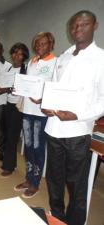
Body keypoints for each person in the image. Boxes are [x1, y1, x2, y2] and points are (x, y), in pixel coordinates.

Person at [42, 11, 104, 225]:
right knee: (54, 179)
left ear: (94, 26)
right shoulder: (63, 57)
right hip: (53, 129)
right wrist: (46, 105)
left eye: (83, 24)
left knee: (76, 183)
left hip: (78, 131)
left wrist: (78, 115)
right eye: (74, 25)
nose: (78, 29)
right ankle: (57, 217)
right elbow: (52, 88)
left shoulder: (101, 59)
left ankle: (75, 222)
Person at [14, 32, 57, 198]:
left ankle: (35, 183)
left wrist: (43, 99)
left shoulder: (55, 62)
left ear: (51, 44)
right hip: (28, 110)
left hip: (41, 112)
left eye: (44, 43)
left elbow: (54, 87)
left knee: (38, 148)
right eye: (37, 44)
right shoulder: (32, 61)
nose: (40, 46)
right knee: (29, 145)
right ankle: (28, 178)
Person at [0, 43, 29, 177]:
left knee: (12, 136)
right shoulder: (10, 68)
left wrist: (5, 89)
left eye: (20, 53)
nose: (17, 56)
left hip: (19, 107)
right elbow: (6, 86)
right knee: (6, 134)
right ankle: (12, 162)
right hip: (8, 104)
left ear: (24, 56)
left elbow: (22, 89)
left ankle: (8, 166)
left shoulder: (26, 70)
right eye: (15, 52)